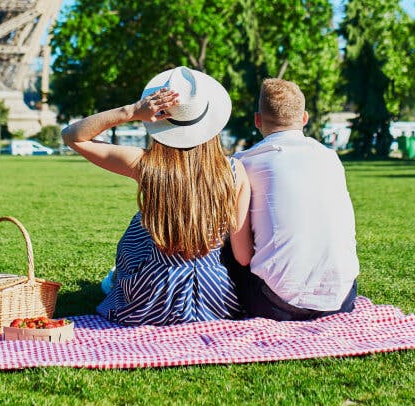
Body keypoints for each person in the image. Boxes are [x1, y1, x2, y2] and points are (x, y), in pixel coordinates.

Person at [62, 66, 253, 325]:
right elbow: (242, 256)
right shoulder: (234, 171)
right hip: (214, 297)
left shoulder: (145, 164)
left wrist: (130, 111)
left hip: (151, 297)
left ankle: (118, 280)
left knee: (139, 224)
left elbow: (73, 136)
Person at [225, 78, 359, 321]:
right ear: (304, 118)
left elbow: (242, 257)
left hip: (275, 304)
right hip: (340, 298)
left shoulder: (245, 163)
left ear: (257, 120)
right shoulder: (330, 159)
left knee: (226, 241)